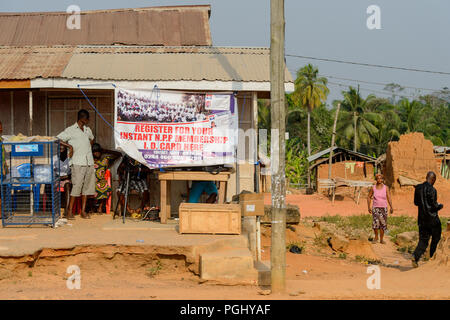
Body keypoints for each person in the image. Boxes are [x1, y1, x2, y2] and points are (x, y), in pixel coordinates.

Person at [57, 109, 96, 219]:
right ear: (83, 119)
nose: (88, 120)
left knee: (86, 188)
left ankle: (83, 211)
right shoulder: (71, 130)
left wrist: (87, 146)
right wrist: (70, 146)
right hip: (77, 162)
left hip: (89, 161)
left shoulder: (88, 130)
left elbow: (92, 139)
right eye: (87, 118)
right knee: (76, 186)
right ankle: (69, 212)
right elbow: (57, 139)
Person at [411, 171, 444, 268]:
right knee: (436, 238)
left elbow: (416, 203)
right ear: (433, 179)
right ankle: (432, 257)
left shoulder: (418, 188)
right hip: (432, 219)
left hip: (422, 219)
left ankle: (415, 256)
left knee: (423, 240)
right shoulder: (432, 190)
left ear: (426, 177)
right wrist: (440, 206)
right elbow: (434, 206)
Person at [92, 143, 122, 214]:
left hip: (101, 182)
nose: (97, 153)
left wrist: (106, 151)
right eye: (95, 152)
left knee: (104, 187)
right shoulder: (89, 160)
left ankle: (100, 207)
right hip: (91, 181)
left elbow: (119, 154)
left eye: (99, 151)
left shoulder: (105, 160)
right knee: (89, 187)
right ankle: (91, 207)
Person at [367, 173, 394, 244]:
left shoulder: (386, 187)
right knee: (375, 223)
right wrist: (368, 207)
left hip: (383, 208)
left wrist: (391, 206)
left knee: (383, 223)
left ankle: (381, 239)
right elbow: (369, 197)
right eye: (378, 178)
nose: (379, 180)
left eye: (381, 178)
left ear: (383, 179)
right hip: (375, 208)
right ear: (376, 179)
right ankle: (376, 237)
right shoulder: (373, 188)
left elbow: (389, 197)